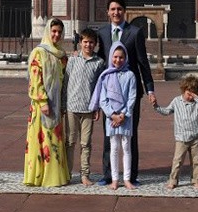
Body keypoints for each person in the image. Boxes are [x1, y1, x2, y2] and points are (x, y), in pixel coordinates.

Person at [96, 0, 156, 186]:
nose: (116, 12)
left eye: (119, 9)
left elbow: (142, 62)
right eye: (112, 9)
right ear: (108, 12)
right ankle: (108, 175)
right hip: (110, 92)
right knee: (109, 134)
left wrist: (150, 89)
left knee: (131, 134)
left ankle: (132, 175)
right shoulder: (103, 32)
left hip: (131, 91)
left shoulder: (135, 32)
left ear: (124, 11)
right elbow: (99, 61)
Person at [23, 18, 69, 187]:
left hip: (56, 103)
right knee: (41, 140)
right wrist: (42, 100)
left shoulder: (61, 54)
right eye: (54, 31)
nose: (56, 35)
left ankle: (55, 176)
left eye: (59, 32)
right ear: (48, 32)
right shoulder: (39, 52)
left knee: (54, 140)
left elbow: (64, 79)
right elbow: (35, 78)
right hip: (41, 104)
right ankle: (40, 177)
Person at [89, 42, 137, 190]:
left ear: (125, 58)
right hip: (111, 118)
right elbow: (103, 99)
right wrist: (112, 115)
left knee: (126, 147)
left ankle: (127, 179)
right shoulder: (106, 76)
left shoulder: (130, 75)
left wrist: (123, 115)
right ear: (111, 57)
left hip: (125, 118)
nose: (118, 60)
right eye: (115, 57)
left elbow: (132, 97)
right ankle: (115, 179)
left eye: (121, 57)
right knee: (114, 147)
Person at [152, 74, 198, 189]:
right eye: (189, 94)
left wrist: (197, 99)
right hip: (181, 137)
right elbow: (166, 111)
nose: (190, 97)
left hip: (195, 137)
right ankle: (173, 180)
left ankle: (196, 180)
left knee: (196, 161)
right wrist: (156, 107)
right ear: (184, 90)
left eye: (193, 95)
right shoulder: (176, 101)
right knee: (177, 160)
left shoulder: (197, 103)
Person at [62, 27, 104, 185]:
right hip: (72, 106)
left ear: (95, 44)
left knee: (86, 143)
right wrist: (63, 105)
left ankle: (85, 174)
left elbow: (99, 87)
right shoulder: (72, 60)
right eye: (85, 42)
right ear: (80, 43)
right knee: (70, 142)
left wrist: (97, 107)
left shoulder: (99, 63)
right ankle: (67, 173)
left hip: (88, 107)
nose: (88, 45)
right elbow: (66, 82)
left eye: (91, 42)